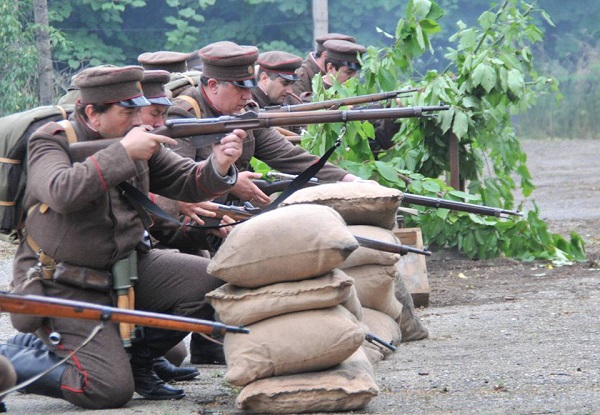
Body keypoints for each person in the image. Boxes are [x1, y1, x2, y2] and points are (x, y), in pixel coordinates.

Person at [0, 65, 246, 409]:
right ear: (92, 113)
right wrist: (123, 153)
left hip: (128, 270)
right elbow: (61, 192)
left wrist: (220, 165)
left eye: (137, 110)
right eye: (127, 111)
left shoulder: (136, 140)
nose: (137, 120)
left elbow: (186, 180)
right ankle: (13, 358)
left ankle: (137, 363)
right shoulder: (52, 140)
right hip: (63, 283)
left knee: (213, 284)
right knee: (107, 391)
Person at [166, 41, 366, 364]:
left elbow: (288, 156)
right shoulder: (185, 114)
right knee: (217, 267)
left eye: (249, 86)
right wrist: (229, 182)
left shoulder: (244, 113)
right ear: (213, 85)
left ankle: (218, 336)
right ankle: (209, 335)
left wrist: (348, 180)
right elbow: (178, 187)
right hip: (189, 224)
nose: (248, 96)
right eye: (240, 88)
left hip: (225, 217)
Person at [293, 32, 356, 100]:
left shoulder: (345, 75)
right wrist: (328, 83)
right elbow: (298, 106)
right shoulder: (300, 76)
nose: (352, 77)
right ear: (325, 56)